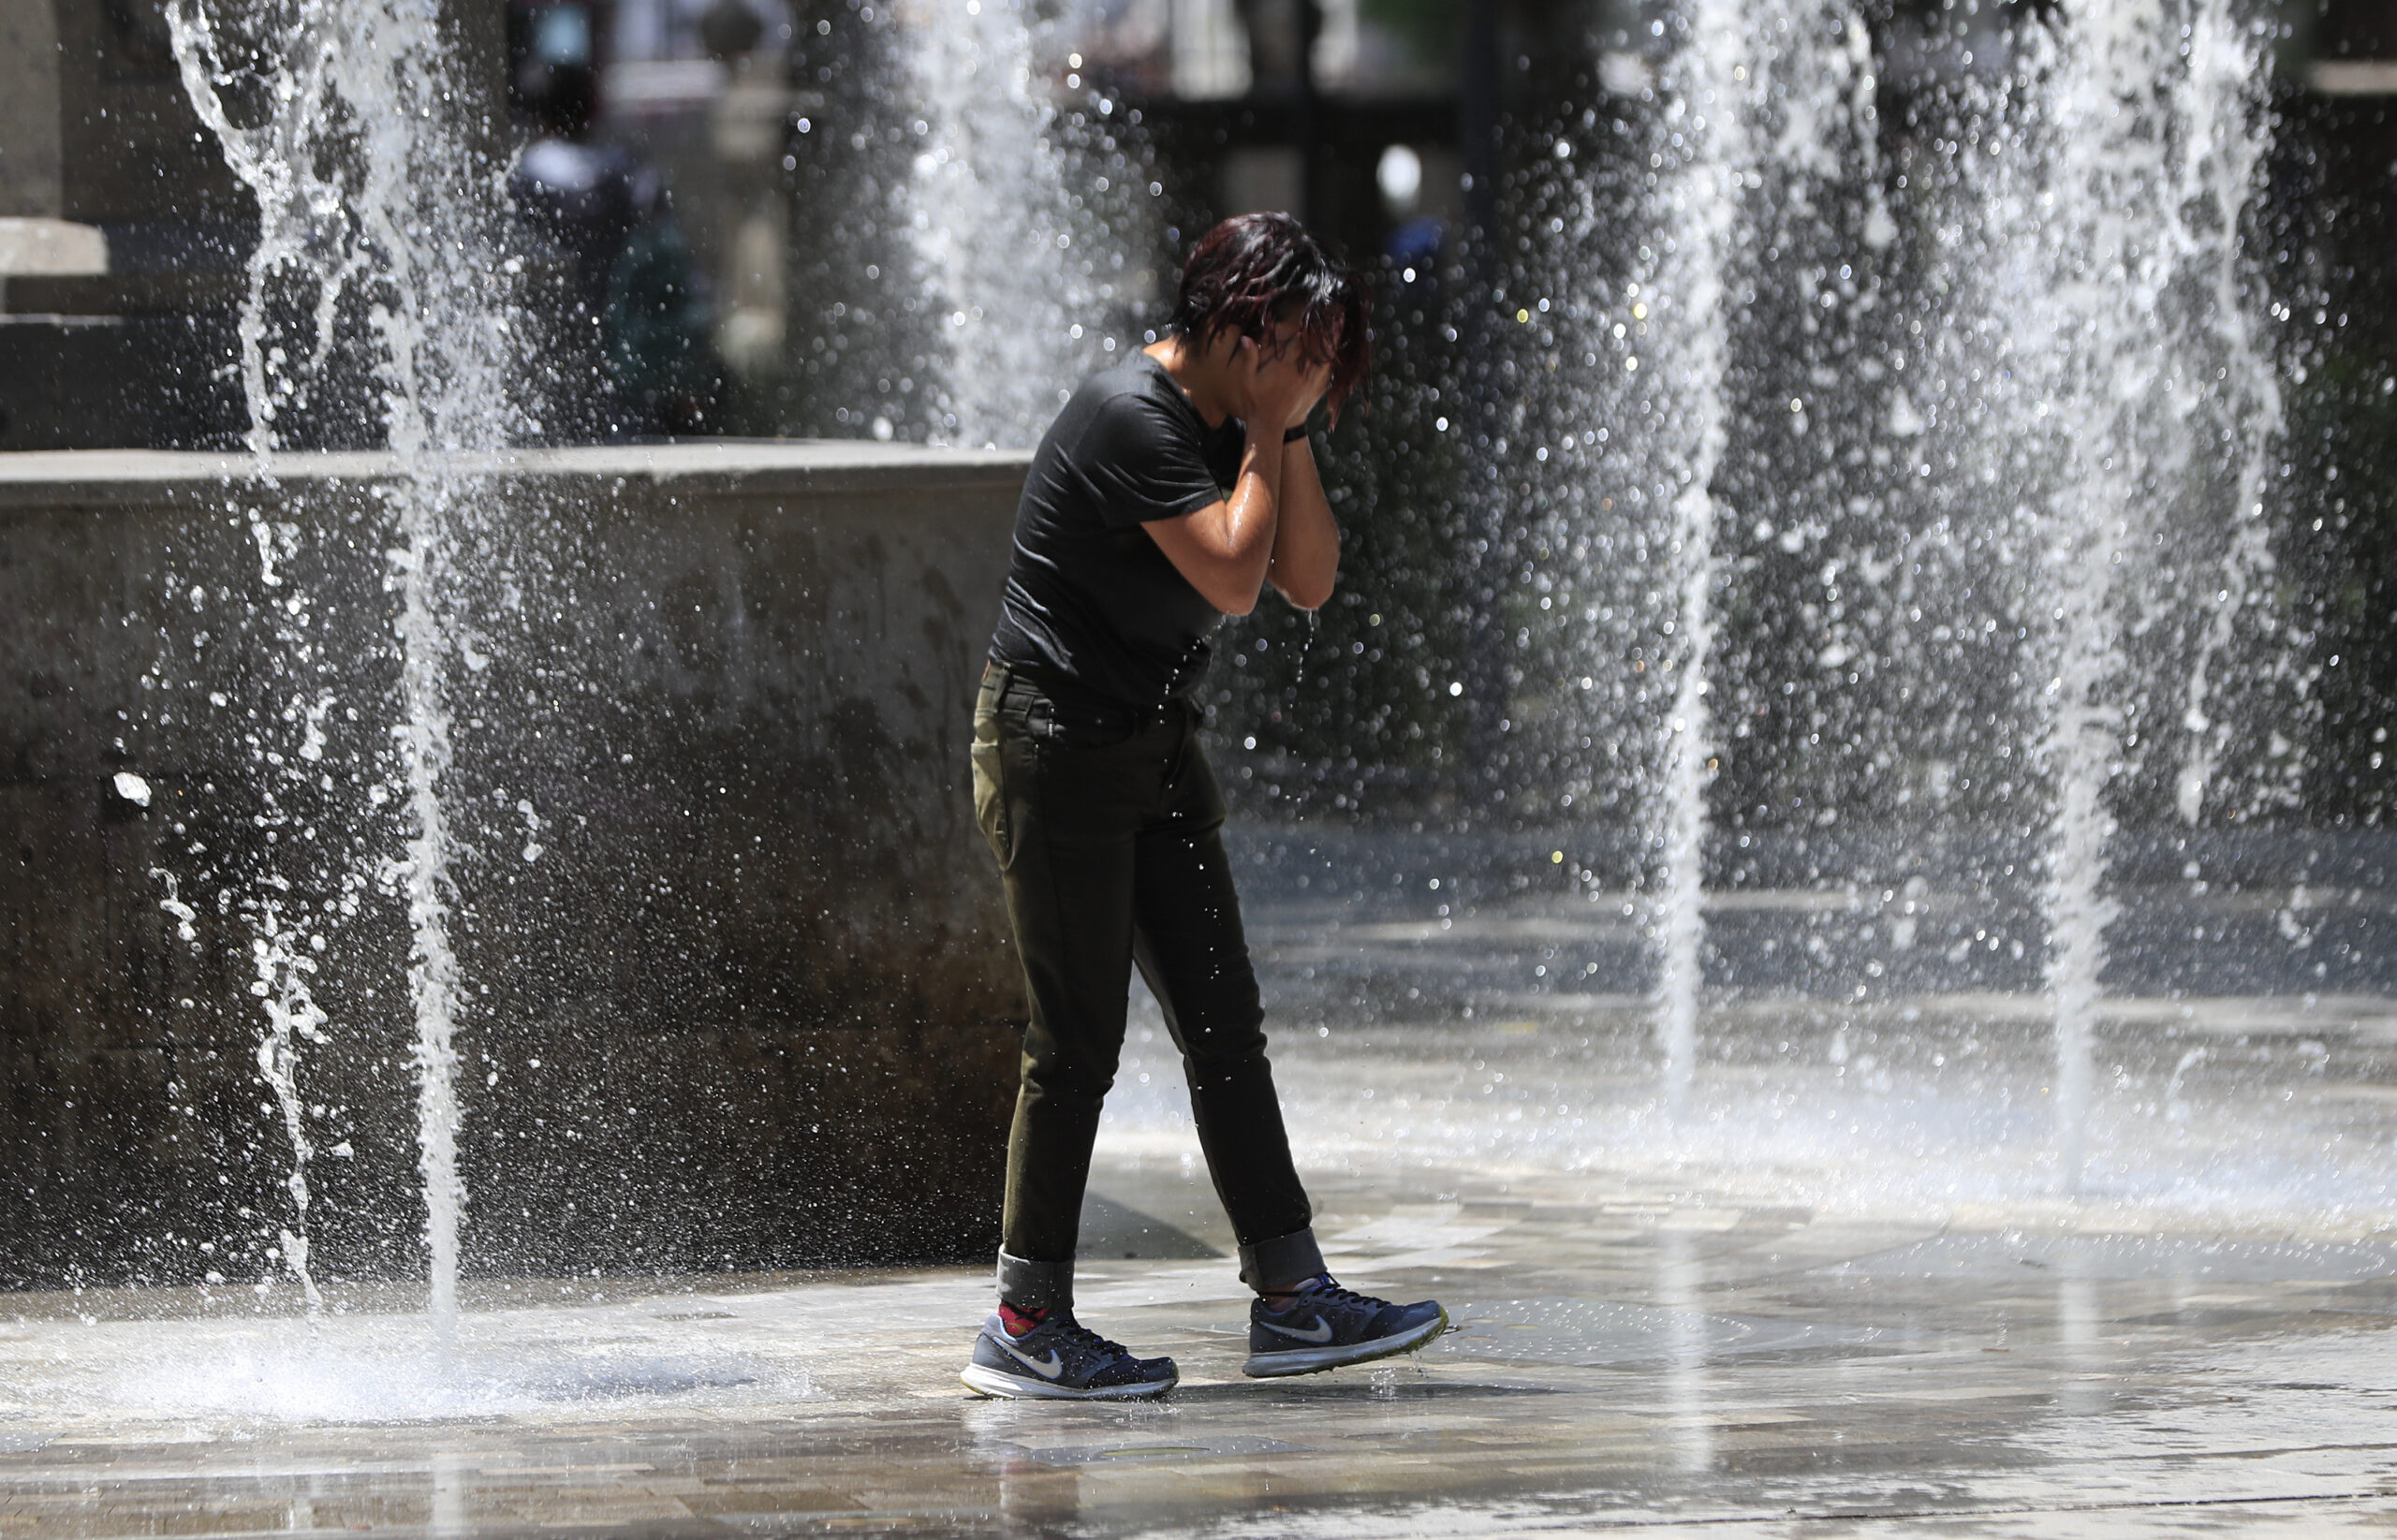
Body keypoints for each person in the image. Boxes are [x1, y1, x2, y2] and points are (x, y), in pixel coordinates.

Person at [960, 213, 1448, 1401]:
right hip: (1053, 745)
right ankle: (1025, 1321)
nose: (1316, 367)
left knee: (1225, 1023)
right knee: (1075, 1043)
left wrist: (1288, 428)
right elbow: (1234, 575)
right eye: (1304, 341)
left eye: (1329, 350)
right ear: (1240, 321)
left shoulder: (1247, 417)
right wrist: (1274, 427)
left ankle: (1291, 1297)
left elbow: (1310, 577)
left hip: (1151, 750)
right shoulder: (1131, 414)